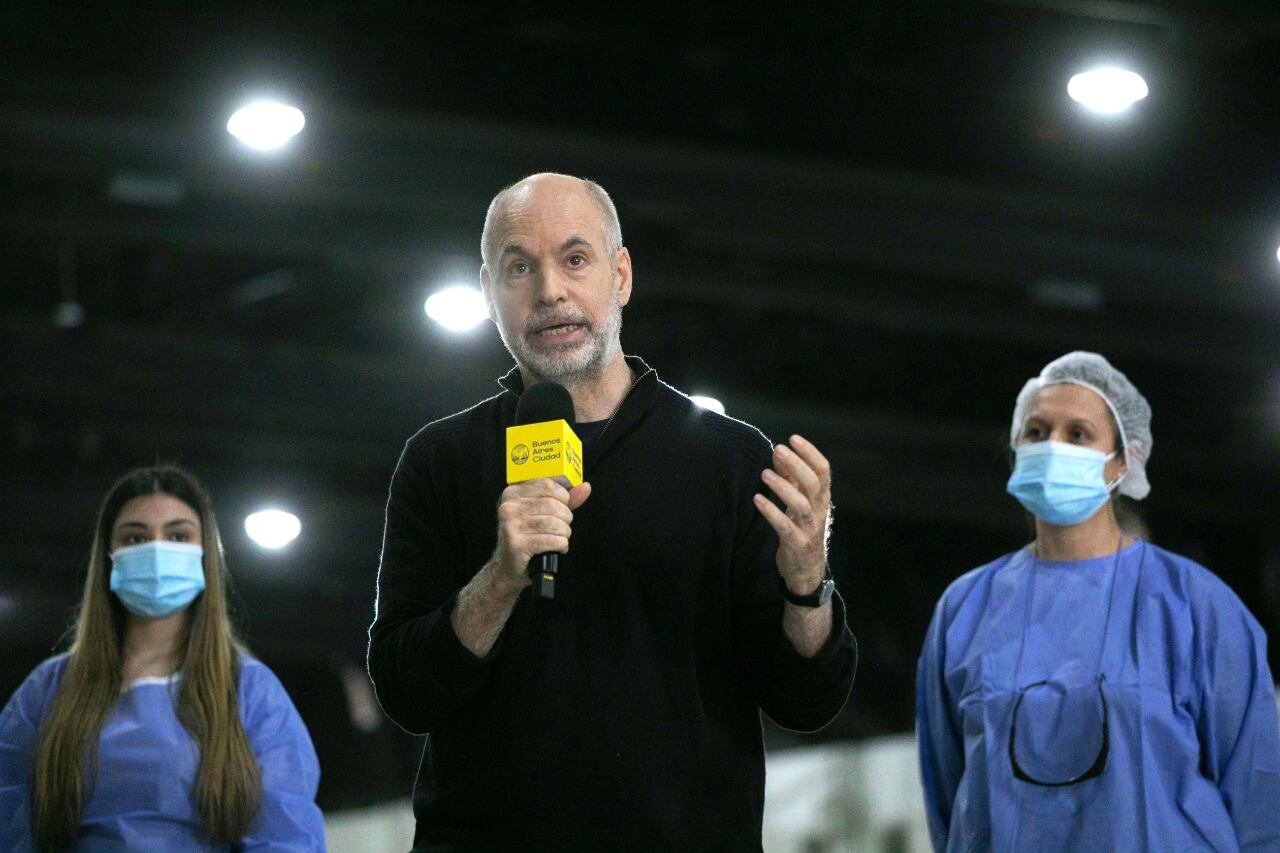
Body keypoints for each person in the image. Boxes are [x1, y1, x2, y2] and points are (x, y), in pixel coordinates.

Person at [367, 173, 856, 851]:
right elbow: (405, 692)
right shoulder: (441, 460)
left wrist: (806, 583)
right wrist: (501, 577)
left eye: (575, 259)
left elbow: (807, 700)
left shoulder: (730, 460)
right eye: (519, 267)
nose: (549, 292)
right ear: (488, 292)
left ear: (620, 275)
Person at [916, 351, 1280, 851]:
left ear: (1122, 461)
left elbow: (1258, 800)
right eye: (1037, 432)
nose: (1052, 446)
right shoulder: (965, 609)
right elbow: (948, 794)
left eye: (1078, 434)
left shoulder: (1196, 608)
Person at [0, 465, 326, 851]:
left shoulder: (251, 692)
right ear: (109, 557)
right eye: (135, 538)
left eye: (177, 535)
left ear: (205, 552)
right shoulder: (48, 692)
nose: (156, 550)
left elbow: (286, 838)